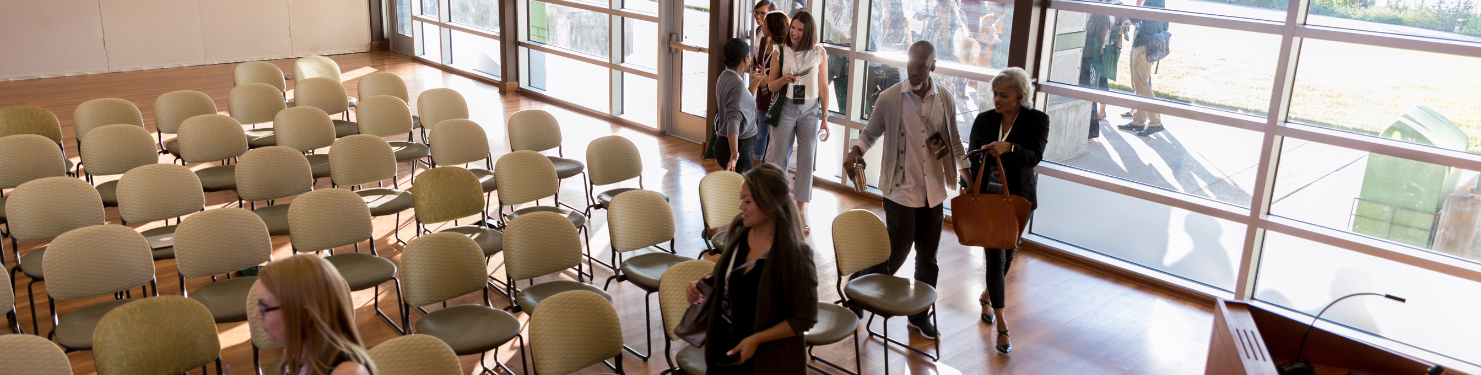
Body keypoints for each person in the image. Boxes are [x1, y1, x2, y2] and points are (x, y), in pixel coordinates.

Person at [842, 41, 971, 340]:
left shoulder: (945, 99)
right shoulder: (890, 98)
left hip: (934, 192)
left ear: (933, 67)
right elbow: (870, 132)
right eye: (910, 64)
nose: (913, 71)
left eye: (921, 66)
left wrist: (968, 178)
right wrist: (855, 151)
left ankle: (918, 317)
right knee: (896, 253)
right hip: (900, 190)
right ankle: (857, 287)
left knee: (929, 259)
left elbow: (952, 143)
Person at [686, 163, 819, 374]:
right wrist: (703, 285)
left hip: (767, 363)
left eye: (747, 201)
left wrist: (757, 339)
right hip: (724, 350)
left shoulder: (795, 256)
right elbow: (732, 274)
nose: (741, 207)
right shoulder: (741, 229)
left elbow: (805, 317)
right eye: (742, 200)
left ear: (771, 204)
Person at [964, 66, 1048, 354]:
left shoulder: (1037, 120)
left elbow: (1034, 157)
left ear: (1020, 96)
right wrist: (970, 183)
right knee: (995, 260)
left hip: (1017, 199)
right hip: (988, 198)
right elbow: (972, 156)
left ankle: (987, 294)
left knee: (1008, 254)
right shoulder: (985, 120)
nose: (997, 100)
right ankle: (1002, 325)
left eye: (1004, 95)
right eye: (995, 94)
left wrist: (1009, 148)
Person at [252, 254, 376, 375]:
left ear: (306, 314)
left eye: (265, 307)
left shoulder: (348, 372)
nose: (256, 314)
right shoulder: (298, 350)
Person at [764, 10, 831, 232]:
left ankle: (800, 213)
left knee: (805, 161)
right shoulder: (779, 51)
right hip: (785, 107)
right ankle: (776, 209)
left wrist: (825, 117)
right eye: (793, 27)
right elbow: (771, 86)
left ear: (808, 31)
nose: (794, 32)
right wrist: (785, 78)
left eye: (800, 30)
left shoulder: (819, 53)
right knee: (777, 158)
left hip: (810, 111)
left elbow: (823, 87)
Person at [1118, 0, 1168, 137]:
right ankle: (1138, 120)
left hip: (1144, 46)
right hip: (1145, 45)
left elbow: (1141, 15)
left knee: (1143, 85)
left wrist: (1130, 19)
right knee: (1138, 85)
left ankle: (1155, 122)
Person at [714, 38, 759, 173]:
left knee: (740, 191)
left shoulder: (725, 76)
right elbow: (733, 120)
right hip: (738, 147)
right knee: (749, 190)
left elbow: (743, 100)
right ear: (745, 58)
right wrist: (735, 154)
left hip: (730, 145)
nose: (750, 60)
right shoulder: (736, 83)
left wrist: (757, 81)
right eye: (749, 56)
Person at [752, 11, 790, 162]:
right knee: (761, 133)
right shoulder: (763, 41)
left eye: (766, 24)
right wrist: (758, 73)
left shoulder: (784, 49)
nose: (762, 26)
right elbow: (758, 63)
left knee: (774, 137)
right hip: (762, 93)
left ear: (774, 27)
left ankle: (768, 167)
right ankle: (755, 166)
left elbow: (785, 74)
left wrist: (770, 78)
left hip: (776, 96)